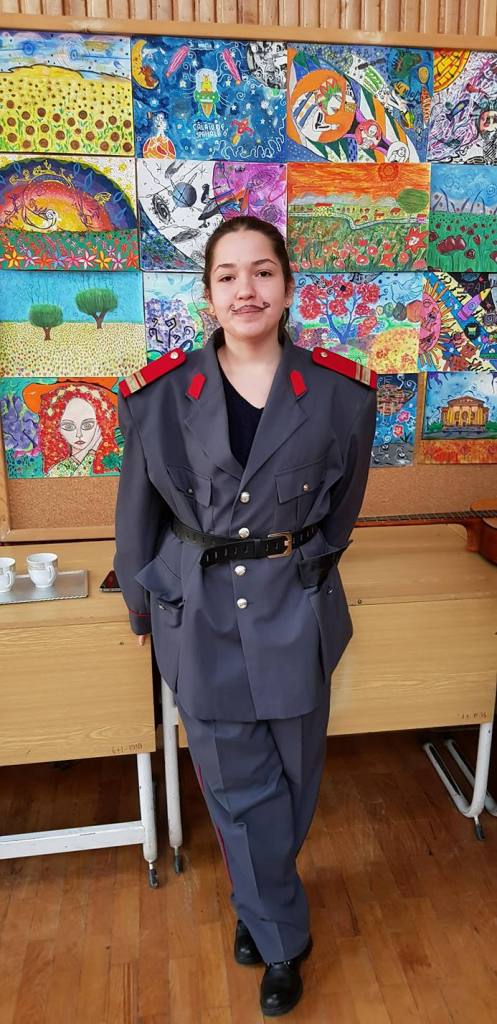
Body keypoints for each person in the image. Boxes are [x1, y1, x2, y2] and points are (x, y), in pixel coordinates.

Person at [114, 215, 377, 1017]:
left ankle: (257, 898)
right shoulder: (160, 396)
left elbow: (342, 510)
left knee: (293, 780)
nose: (246, 289)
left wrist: (302, 569)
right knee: (233, 785)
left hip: (294, 607)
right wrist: (142, 604)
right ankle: (281, 938)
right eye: (227, 275)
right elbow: (137, 515)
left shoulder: (340, 394)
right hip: (197, 614)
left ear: (287, 286)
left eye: (262, 272)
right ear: (207, 295)